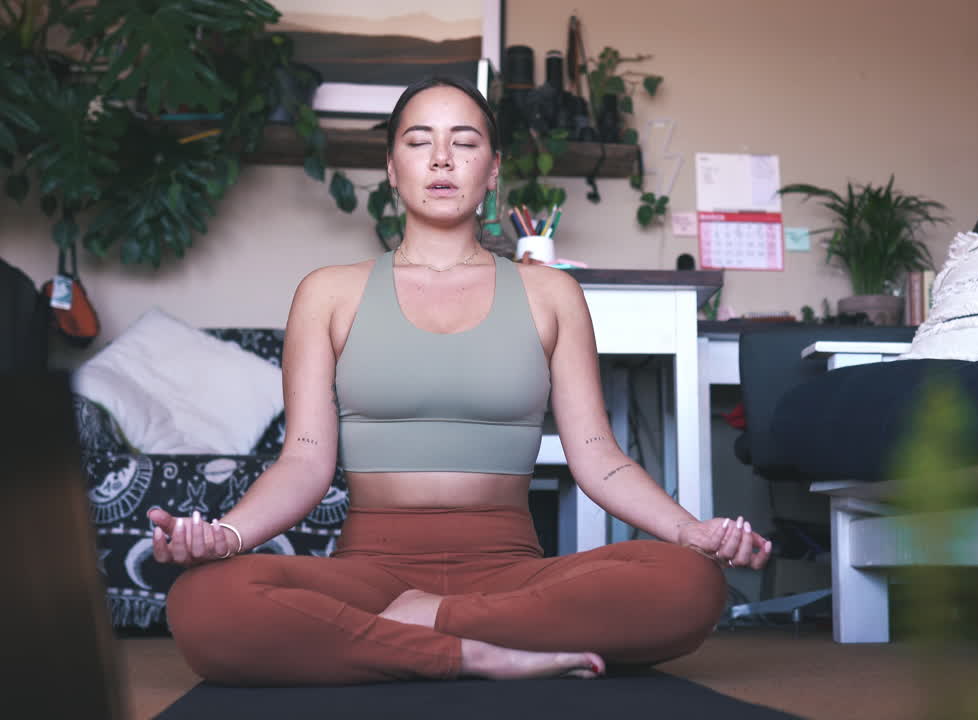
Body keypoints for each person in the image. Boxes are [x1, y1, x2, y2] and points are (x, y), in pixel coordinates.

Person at [146, 75, 772, 686]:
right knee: (205, 602)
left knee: (689, 583)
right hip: (370, 572)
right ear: (392, 167)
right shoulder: (328, 293)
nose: (441, 159)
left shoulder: (551, 294)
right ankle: (474, 654)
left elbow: (599, 458)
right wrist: (225, 536)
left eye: (464, 143)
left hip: (509, 573)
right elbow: (305, 462)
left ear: (493, 169)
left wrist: (691, 531)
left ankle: (424, 629)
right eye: (419, 142)